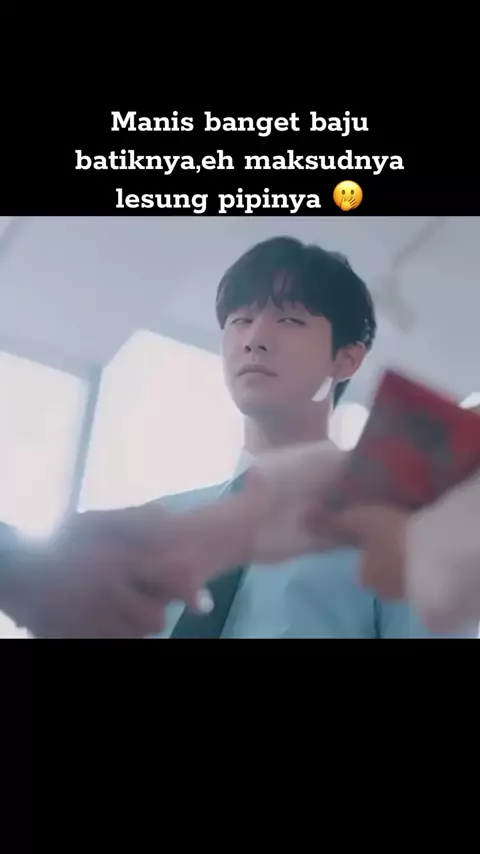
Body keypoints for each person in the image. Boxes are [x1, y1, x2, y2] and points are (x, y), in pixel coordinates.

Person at [152, 236, 476, 638]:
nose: (254, 339)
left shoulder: (396, 529)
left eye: (290, 320)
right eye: (240, 320)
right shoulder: (163, 527)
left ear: (346, 358)